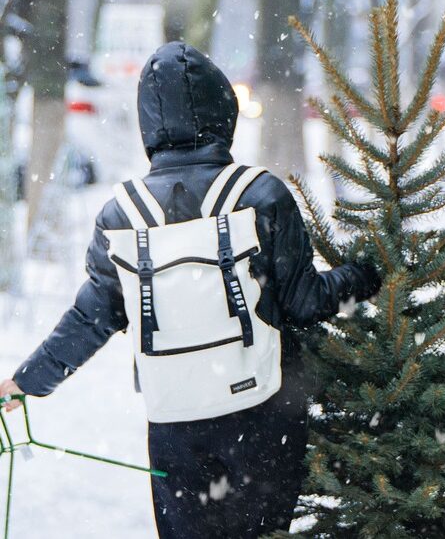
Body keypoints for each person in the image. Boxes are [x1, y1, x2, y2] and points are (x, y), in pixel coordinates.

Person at [0, 41, 380, 538]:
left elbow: (93, 317)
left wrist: (27, 381)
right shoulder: (260, 195)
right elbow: (307, 302)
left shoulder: (122, 216)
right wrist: (370, 273)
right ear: (225, 111)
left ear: (148, 125)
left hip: (175, 422)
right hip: (263, 414)